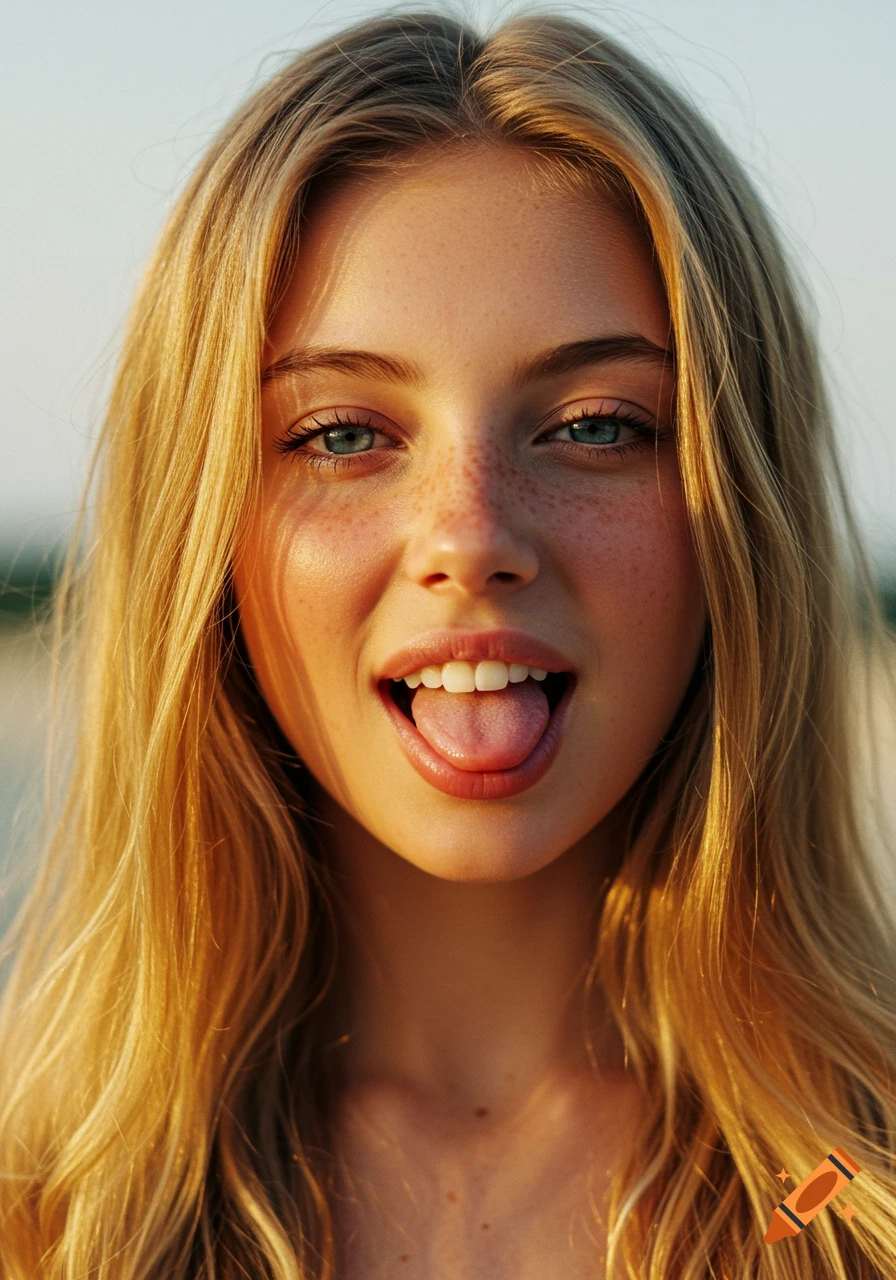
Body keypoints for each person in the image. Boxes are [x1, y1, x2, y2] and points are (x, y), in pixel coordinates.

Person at [1, 8, 894, 1278]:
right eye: (341, 433)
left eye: (592, 425)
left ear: (739, 521)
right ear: (201, 534)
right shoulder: (43, 1216)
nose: (470, 535)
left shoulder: (847, 1196)